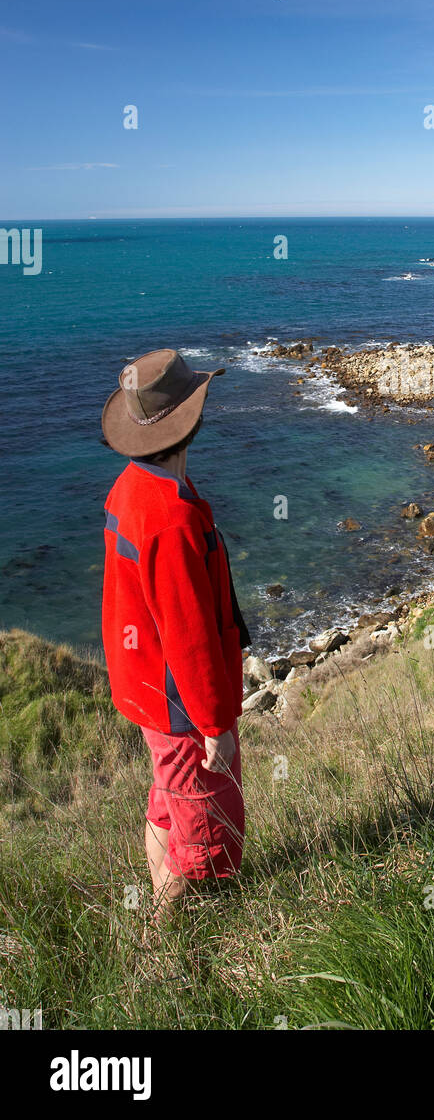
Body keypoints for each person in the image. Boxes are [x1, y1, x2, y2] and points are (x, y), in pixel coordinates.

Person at [100, 349, 249, 921]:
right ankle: (162, 952)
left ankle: (156, 920)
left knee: (168, 806)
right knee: (204, 834)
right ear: (192, 422)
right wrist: (214, 726)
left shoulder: (131, 487)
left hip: (144, 689)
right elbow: (187, 636)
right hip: (181, 704)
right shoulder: (172, 520)